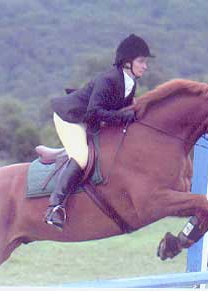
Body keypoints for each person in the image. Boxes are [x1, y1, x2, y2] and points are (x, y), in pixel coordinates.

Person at [44, 33, 155, 230]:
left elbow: (121, 111)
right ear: (127, 62)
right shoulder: (109, 79)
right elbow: (94, 113)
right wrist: (123, 116)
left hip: (89, 120)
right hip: (70, 118)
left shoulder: (130, 83)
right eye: (141, 61)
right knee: (82, 157)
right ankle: (55, 207)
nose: (145, 66)